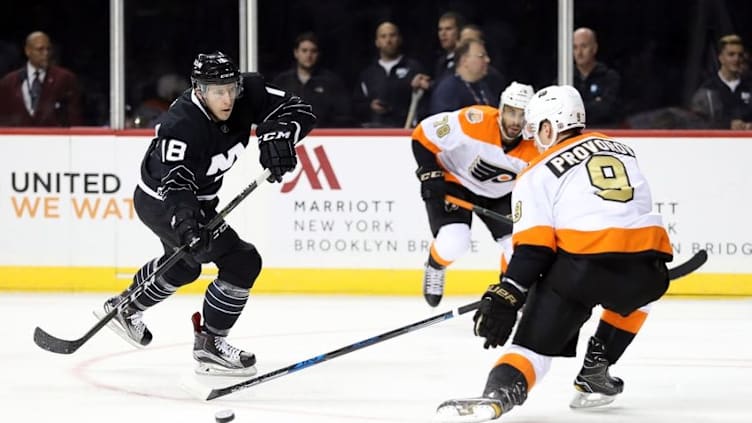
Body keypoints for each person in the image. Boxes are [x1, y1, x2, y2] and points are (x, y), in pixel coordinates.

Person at [435, 85, 673, 421]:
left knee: (531, 347)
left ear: (549, 127)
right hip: (648, 266)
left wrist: (509, 292)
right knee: (637, 295)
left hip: (580, 272)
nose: (533, 138)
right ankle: (597, 368)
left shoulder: (536, 171)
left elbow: (534, 249)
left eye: (535, 129)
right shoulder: (623, 149)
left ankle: (498, 394)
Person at [97, 52, 316, 376]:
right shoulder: (181, 125)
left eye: (231, 88)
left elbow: (300, 111)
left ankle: (126, 307)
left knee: (185, 267)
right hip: (164, 202)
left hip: (200, 200)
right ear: (198, 90)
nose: (227, 98)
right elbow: (176, 185)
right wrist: (187, 225)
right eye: (217, 91)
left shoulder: (248, 92)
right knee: (242, 261)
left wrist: (280, 133)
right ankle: (210, 345)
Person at [412, 81, 537, 307]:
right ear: (500, 109)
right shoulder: (473, 120)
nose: (516, 122)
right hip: (455, 181)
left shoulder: (536, 146)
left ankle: (506, 290)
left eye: (523, 115)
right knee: (454, 241)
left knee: (518, 247)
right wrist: (430, 171)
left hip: (500, 195)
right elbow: (422, 134)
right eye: (510, 112)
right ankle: (435, 265)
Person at [353, 21, 431, 127]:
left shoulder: (414, 68)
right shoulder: (368, 74)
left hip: (406, 131)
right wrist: (370, 106)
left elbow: (426, 101)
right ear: (377, 42)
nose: (388, 40)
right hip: (375, 132)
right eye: (383, 36)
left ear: (399, 39)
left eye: (392, 35)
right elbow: (356, 105)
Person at [0, 31, 82, 126]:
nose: (46, 53)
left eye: (48, 49)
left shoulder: (65, 78)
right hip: (18, 139)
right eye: (40, 49)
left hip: (54, 139)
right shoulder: (9, 81)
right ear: (27, 51)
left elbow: (74, 117)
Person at [272, 32, 352, 127]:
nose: (309, 55)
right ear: (296, 53)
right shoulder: (282, 81)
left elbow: (343, 115)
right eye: (304, 51)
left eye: (313, 51)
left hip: (323, 137)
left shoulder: (331, 82)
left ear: (318, 54)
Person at [428, 37, 495, 115]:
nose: (487, 60)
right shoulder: (448, 89)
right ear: (464, 60)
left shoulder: (483, 86)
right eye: (481, 56)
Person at [698, 34, 752, 130]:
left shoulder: (749, 87)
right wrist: (727, 125)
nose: (736, 59)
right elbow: (697, 124)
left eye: (740, 55)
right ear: (721, 58)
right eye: (731, 54)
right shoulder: (708, 90)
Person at [572, 27, 621, 127]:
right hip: (574, 136)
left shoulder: (609, 77)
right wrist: (593, 104)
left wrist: (575, 109)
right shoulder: (566, 79)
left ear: (594, 48)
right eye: (575, 47)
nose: (579, 53)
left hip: (604, 135)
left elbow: (607, 110)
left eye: (583, 46)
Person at [459, 24, 507, 100]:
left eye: (471, 41)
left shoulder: (494, 78)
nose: (466, 46)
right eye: (464, 42)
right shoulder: (447, 80)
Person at [434, 11, 465, 82]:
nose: (443, 33)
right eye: (440, 29)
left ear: (459, 31)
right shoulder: (440, 62)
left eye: (448, 29)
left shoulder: (465, 60)